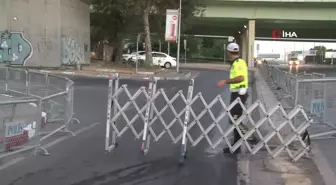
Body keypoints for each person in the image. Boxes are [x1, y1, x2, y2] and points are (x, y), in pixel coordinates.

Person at [216, 42, 254, 154]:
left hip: (239, 94)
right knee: (235, 119)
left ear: (229, 52)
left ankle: (247, 137)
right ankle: (237, 145)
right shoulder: (236, 63)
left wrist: (225, 81)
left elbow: (241, 78)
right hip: (236, 93)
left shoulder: (239, 63)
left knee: (235, 119)